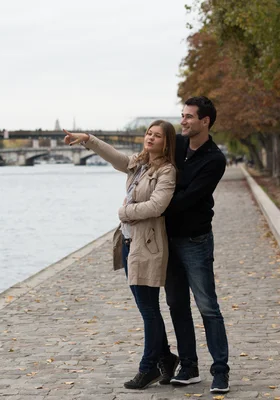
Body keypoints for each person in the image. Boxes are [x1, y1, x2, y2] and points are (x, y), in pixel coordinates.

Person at [63, 120, 179, 390]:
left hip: (147, 245)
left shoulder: (167, 171)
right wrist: (87, 139)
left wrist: (125, 212)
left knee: (149, 310)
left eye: (157, 136)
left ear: (166, 142)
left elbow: (158, 206)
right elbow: (113, 156)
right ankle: (166, 357)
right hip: (128, 244)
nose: (150, 138)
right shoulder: (139, 164)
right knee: (145, 308)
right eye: (148, 133)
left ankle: (147, 368)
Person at [162, 96, 230, 393]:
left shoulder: (214, 159)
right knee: (176, 304)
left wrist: (153, 205)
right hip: (168, 239)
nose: (184, 121)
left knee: (207, 307)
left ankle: (221, 370)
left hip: (195, 240)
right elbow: (143, 162)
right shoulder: (176, 144)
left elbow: (189, 199)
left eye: (189, 116)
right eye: (182, 115)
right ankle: (189, 366)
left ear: (206, 121)